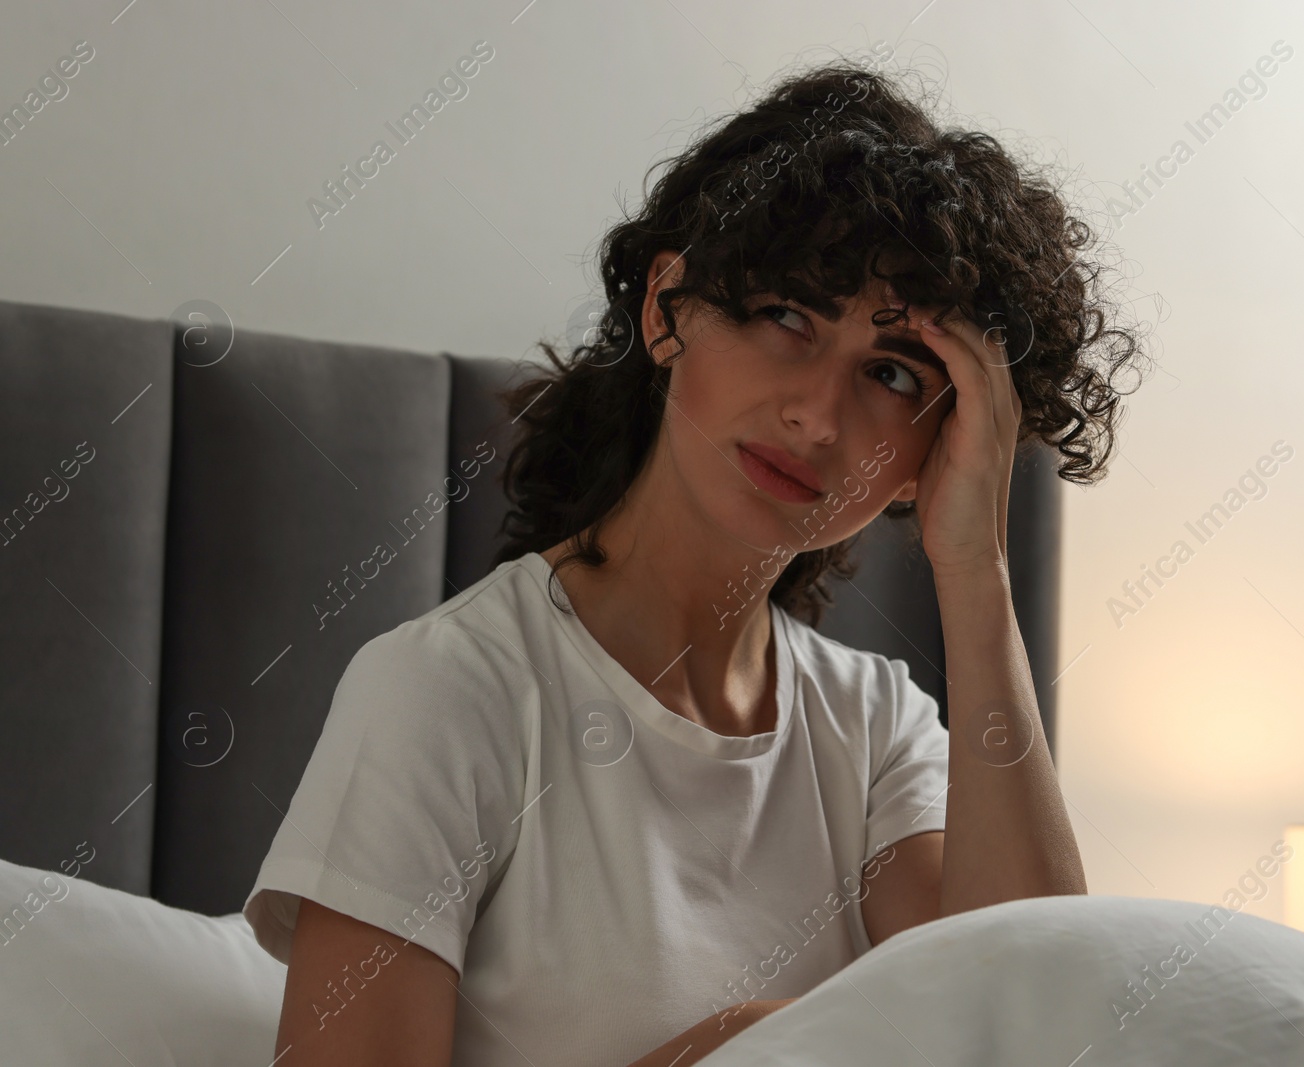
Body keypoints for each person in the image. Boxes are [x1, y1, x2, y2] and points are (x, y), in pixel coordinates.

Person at [243, 54, 1139, 1067]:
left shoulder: (879, 728)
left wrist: (975, 568)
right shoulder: (449, 692)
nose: (814, 414)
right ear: (669, 308)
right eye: (786, 317)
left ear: (926, 453)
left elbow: (1035, 1022)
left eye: (890, 374)